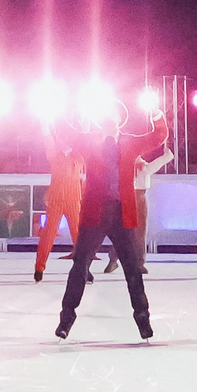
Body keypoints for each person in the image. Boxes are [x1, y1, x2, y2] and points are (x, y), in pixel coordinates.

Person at [55, 100, 173, 343]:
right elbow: (63, 131)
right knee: (79, 266)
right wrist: (58, 108)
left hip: (122, 214)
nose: (110, 118)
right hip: (95, 214)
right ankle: (66, 320)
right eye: (105, 114)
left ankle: (143, 321)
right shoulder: (89, 141)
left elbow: (158, 136)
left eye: (113, 114)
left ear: (120, 119)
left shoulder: (130, 141)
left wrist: (156, 114)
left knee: (133, 270)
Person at [33, 122, 86, 282]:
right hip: (57, 200)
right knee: (48, 235)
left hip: (72, 200)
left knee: (78, 236)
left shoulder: (79, 157)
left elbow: (86, 143)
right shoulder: (55, 155)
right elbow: (48, 140)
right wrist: (44, 125)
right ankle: (39, 267)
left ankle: (84, 269)